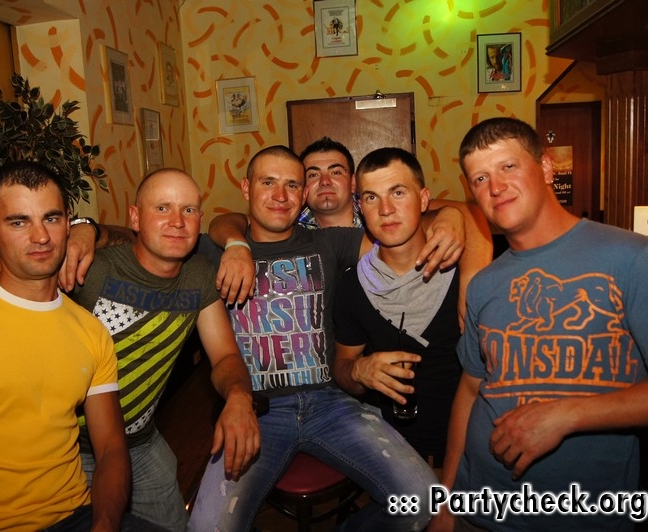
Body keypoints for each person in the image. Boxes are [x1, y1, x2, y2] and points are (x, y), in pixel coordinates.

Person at [0, 168, 259, 531]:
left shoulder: (194, 277)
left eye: (188, 210)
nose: (177, 222)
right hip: (75, 450)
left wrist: (239, 397)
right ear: (135, 217)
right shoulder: (86, 269)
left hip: (135, 443)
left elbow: (224, 355)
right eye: (162, 208)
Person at [439, 117, 648, 531]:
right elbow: (470, 391)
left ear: (546, 168)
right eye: (480, 178)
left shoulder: (632, 258)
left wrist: (566, 415)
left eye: (508, 166)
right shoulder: (485, 283)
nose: (495, 187)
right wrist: (447, 499)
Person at [188, 145, 463, 531]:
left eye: (291, 185)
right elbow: (142, 242)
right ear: (246, 188)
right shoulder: (211, 250)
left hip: (331, 404)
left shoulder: (329, 243)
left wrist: (454, 216)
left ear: (303, 195)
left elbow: (400, 227)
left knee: (421, 501)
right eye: (268, 183)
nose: (280, 195)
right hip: (257, 410)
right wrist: (234, 243)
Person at [333, 148, 475, 474]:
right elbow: (342, 365)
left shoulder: (465, 270)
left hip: (470, 447)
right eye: (371, 197)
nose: (386, 210)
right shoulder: (353, 286)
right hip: (395, 448)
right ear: (360, 208)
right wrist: (357, 371)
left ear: (424, 200)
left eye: (398, 192)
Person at [297, 136, 493, 324]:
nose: (325, 181)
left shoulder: (382, 214)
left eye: (336, 172)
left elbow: (469, 214)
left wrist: (472, 284)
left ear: (354, 182)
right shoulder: (292, 232)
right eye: (313, 174)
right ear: (303, 186)